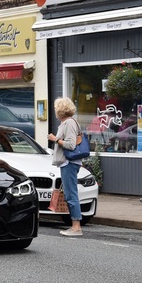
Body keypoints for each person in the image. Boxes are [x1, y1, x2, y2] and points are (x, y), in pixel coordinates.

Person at [48, 97, 83, 236]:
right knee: (70, 193)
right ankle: (75, 225)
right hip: (68, 163)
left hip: (69, 162)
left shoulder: (68, 123)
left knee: (70, 194)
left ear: (60, 110)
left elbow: (70, 145)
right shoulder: (68, 122)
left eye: (56, 108)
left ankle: (76, 227)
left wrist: (54, 139)